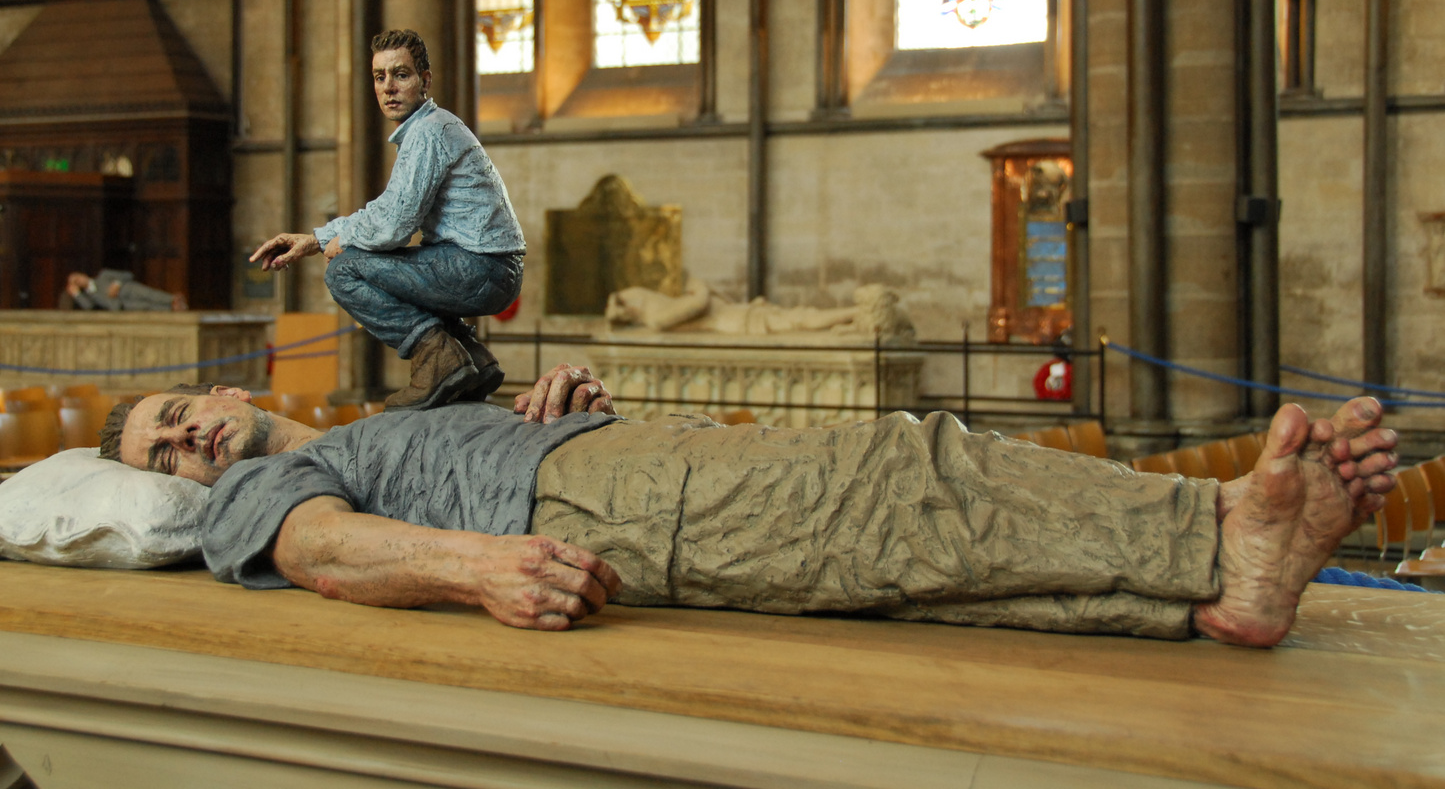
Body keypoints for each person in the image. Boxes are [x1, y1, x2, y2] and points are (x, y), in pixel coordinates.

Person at [99, 365, 1401, 648]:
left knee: (909, 559)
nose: (182, 442)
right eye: (159, 458)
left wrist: (535, 411)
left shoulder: (366, 422)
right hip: (598, 504)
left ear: (218, 385)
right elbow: (318, 549)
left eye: (172, 414)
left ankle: (1199, 597)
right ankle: (1214, 533)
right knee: (912, 477)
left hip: (607, 464)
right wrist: (477, 564)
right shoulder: (260, 486)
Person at [249, 29, 525, 410]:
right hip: (487, 267)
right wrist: (315, 238)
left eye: (401, 75)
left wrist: (339, 242)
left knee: (345, 271)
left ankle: (440, 358)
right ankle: (470, 356)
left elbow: (394, 224)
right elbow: (389, 212)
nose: (388, 88)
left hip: (481, 269)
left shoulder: (429, 131)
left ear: (425, 81)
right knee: (399, 264)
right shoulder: (431, 128)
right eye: (380, 77)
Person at [60, 270, 187, 312]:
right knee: (145, 306)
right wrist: (76, 293)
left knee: (149, 294)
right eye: (76, 282)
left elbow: (127, 274)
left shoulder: (103, 275)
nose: (80, 281)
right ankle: (171, 308)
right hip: (121, 304)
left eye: (78, 277)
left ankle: (173, 299)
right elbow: (88, 307)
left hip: (127, 290)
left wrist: (116, 284)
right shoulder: (88, 296)